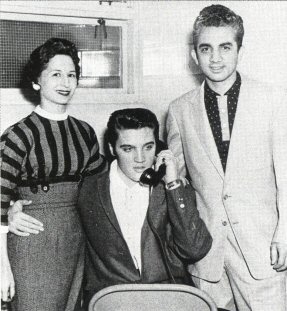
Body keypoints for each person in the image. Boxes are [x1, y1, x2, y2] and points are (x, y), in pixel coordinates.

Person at [166, 4, 287, 311]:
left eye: (225, 47)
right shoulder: (179, 109)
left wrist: (284, 234)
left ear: (239, 51)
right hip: (208, 259)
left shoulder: (273, 100)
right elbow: (177, 180)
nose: (215, 58)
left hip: (263, 253)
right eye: (206, 49)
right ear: (195, 56)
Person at [0, 38, 106, 311]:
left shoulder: (85, 133)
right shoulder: (17, 135)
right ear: (37, 81)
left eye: (71, 75)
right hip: (31, 242)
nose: (65, 82)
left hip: (75, 239)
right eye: (55, 74)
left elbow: (103, 184)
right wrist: (2, 268)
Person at [77, 108, 212, 309]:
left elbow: (194, 249)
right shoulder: (87, 189)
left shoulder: (173, 187)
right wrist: (15, 210)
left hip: (167, 299)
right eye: (128, 149)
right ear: (112, 149)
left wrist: (172, 184)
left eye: (148, 147)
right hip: (112, 300)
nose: (140, 159)